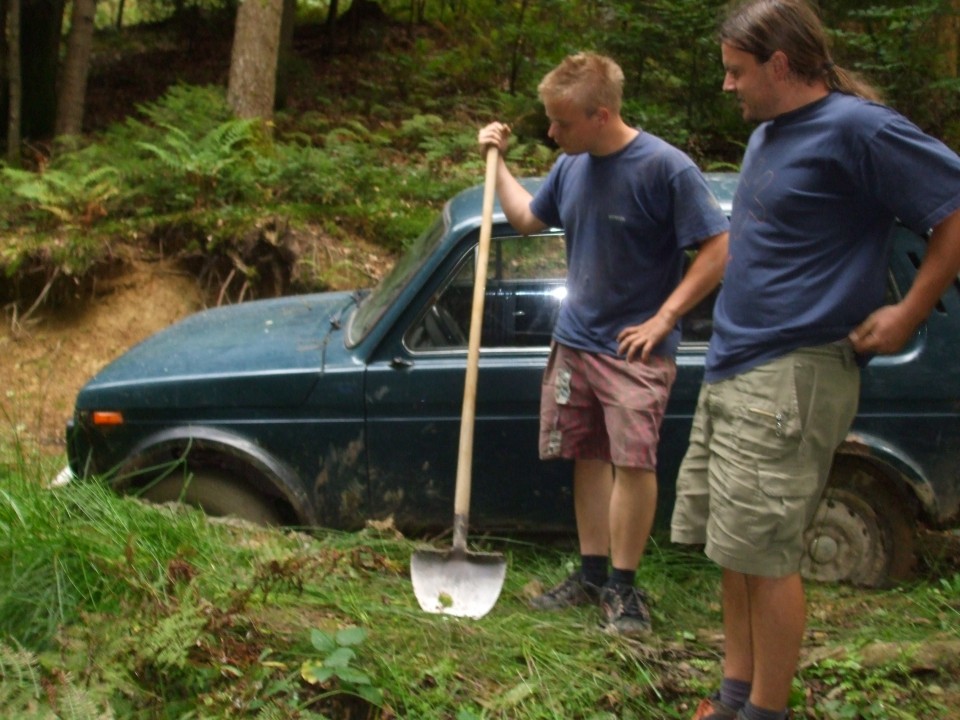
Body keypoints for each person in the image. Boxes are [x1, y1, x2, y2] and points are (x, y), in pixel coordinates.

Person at [672, 1, 960, 718]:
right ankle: (735, 694)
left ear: (779, 63)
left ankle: (767, 710)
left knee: (769, 556)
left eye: (736, 72)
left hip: (793, 373)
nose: (728, 87)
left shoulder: (860, 129)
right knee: (736, 547)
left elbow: (952, 208)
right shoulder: (770, 132)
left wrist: (908, 309)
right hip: (736, 364)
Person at [478, 52, 730, 636]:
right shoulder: (572, 165)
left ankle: (625, 589)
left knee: (632, 462)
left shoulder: (665, 168)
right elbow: (524, 219)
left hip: (634, 353)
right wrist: (496, 162)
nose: (551, 131)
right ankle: (592, 576)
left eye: (561, 122)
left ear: (601, 114)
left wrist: (665, 318)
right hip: (576, 344)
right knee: (587, 456)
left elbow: (718, 248)